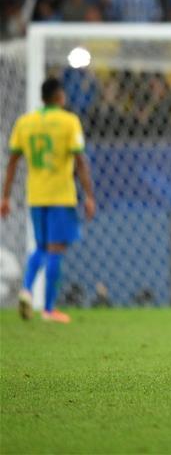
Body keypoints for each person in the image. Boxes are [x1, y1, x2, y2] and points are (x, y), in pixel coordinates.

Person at [1, 77, 96, 323]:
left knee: (41, 247)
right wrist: (89, 196)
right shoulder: (69, 121)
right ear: (60, 96)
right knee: (56, 250)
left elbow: (12, 163)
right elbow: (80, 161)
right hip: (61, 196)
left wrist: (5, 197)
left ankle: (26, 289)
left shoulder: (25, 123)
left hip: (36, 195)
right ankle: (49, 309)